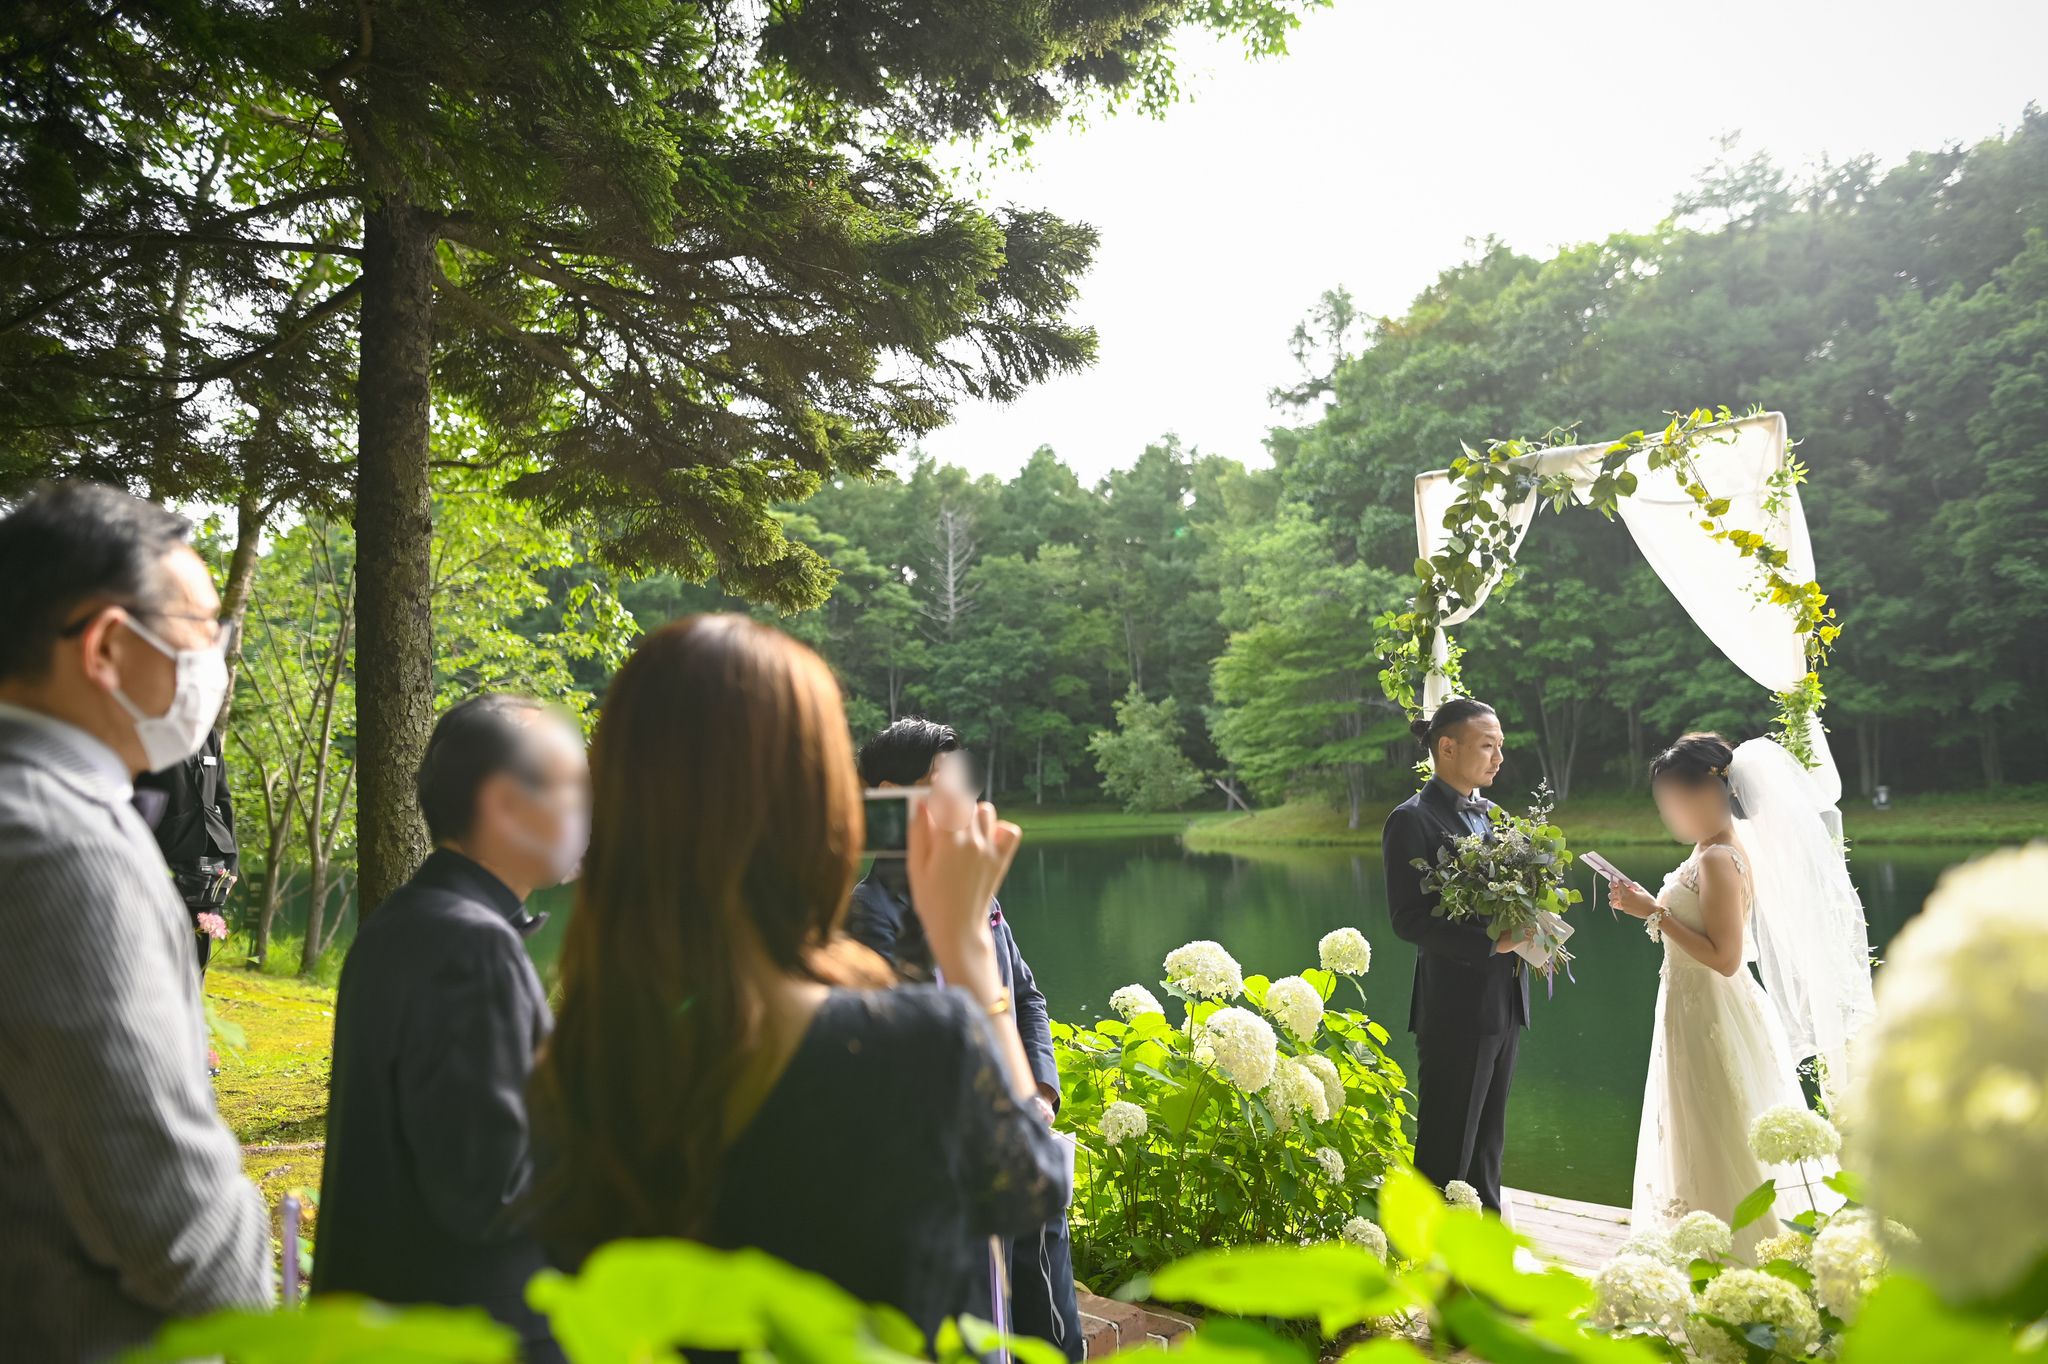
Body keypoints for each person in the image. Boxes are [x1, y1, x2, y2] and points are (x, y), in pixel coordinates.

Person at [529, 615, 1068, 1344]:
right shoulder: (916, 1044)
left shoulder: (574, 1071)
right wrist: (970, 958)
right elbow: (1032, 1188)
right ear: (821, 808)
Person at [0, 482, 271, 1359]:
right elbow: (160, 1197)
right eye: (202, 632)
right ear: (109, 645)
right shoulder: (56, 844)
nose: (216, 660)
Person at [314, 694, 588, 1363]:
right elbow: (491, 1190)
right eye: (575, 789)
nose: (590, 812)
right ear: (501, 803)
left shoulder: (403, 921)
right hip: (470, 1333)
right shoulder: (473, 947)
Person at [847, 718, 1080, 1360]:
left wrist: (1039, 1091)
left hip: (1019, 1144)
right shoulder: (869, 914)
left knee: (1057, 1334)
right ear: (893, 796)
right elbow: (899, 1056)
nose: (963, 795)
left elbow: (1027, 996)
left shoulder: (976, 896)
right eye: (939, 781)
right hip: (953, 1177)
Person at [1607, 733, 1873, 1258]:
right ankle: (1704, 1240)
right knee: (1700, 1120)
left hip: (1712, 1004)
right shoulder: (1708, 848)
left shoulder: (1718, 858)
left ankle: (1740, 1248)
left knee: (1719, 1119)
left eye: (1675, 800)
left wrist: (1652, 913)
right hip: (1689, 1004)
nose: (1670, 813)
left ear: (1707, 794)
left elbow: (1726, 957)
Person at [1381, 697, 1529, 1212]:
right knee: (1447, 1148)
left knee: (1488, 1144)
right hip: (1455, 1007)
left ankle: (1486, 1256)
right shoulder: (1412, 820)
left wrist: (1534, 928)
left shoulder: (1493, 816)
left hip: (1506, 1000)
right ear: (1448, 747)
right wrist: (1492, 940)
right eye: (1487, 745)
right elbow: (1409, 921)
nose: (1498, 758)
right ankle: (1434, 1264)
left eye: (1500, 747)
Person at [134, 726, 240, 973]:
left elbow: (223, 799)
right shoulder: (151, 731)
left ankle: (192, 1003)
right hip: (165, 853)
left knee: (199, 949)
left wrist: (232, 861)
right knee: (157, 947)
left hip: (211, 858)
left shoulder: (209, 736)